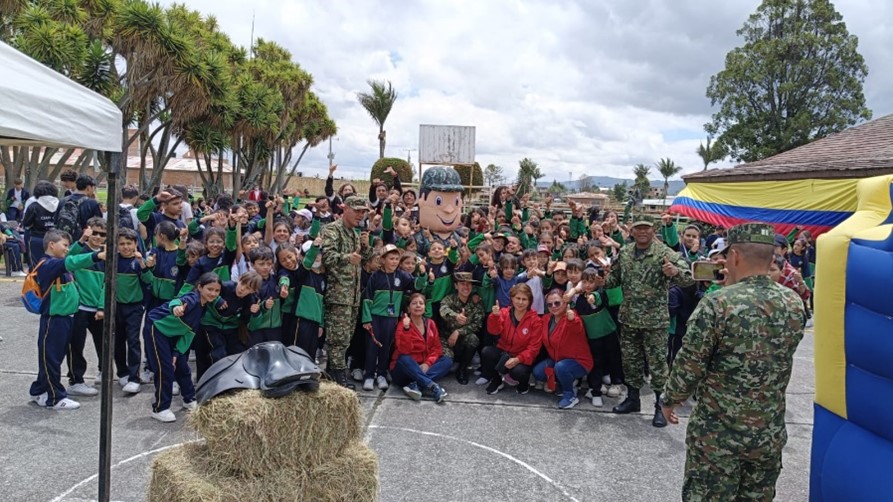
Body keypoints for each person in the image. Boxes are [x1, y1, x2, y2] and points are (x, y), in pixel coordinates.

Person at [662, 223, 806, 501]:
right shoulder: (793, 302)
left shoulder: (718, 304)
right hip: (767, 433)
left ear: (735, 256)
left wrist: (669, 400)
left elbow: (690, 364)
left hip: (718, 435)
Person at [604, 215, 694, 428]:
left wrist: (675, 272)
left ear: (653, 230)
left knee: (657, 366)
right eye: (638, 228)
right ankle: (633, 399)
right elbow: (613, 280)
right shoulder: (625, 253)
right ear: (632, 231)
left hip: (655, 322)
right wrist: (601, 279)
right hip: (629, 319)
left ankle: (660, 406)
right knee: (631, 362)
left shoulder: (664, 253)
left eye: (646, 228)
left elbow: (689, 278)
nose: (642, 232)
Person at [29, 230, 106, 410]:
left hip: (64, 318)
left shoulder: (55, 263)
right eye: (64, 245)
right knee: (51, 359)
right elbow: (72, 260)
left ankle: (38, 390)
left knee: (54, 357)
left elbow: (70, 257)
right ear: (51, 245)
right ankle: (55, 398)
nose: (67, 249)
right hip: (54, 319)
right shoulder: (48, 265)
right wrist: (96, 255)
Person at [143, 272, 222, 422]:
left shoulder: (205, 307)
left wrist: (177, 352)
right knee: (164, 369)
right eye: (209, 289)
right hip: (157, 327)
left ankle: (189, 399)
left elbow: (189, 333)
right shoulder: (192, 299)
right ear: (199, 287)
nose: (213, 293)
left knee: (182, 367)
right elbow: (177, 302)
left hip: (174, 334)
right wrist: (176, 309)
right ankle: (160, 408)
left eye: (216, 291)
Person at [321, 195, 372, 388]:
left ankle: (331, 374)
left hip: (352, 296)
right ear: (345, 209)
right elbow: (328, 257)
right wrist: (347, 257)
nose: (360, 215)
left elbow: (363, 260)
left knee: (345, 339)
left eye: (363, 212)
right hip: (338, 294)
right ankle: (339, 380)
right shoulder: (333, 229)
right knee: (338, 340)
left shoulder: (354, 233)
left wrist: (365, 247)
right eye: (357, 210)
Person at [533, 289, 592, 409]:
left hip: (579, 362)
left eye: (557, 303)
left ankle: (570, 395)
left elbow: (577, 327)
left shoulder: (571, 316)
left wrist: (572, 320)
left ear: (565, 302)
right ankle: (566, 381)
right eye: (550, 304)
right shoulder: (546, 319)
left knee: (561, 367)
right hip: (556, 359)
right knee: (538, 372)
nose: (553, 306)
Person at [482, 283, 543, 395]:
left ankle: (524, 385)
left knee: (518, 372)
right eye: (517, 298)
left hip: (522, 356)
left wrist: (518, 359)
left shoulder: (535, 320)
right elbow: (494, 331)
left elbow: (534, 348)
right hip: (504, 351)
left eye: (524, 299)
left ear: (529, 301)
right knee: (487, 352)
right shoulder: (505, 313)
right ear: (512, 298)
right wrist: (494, 317)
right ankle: (496, 381)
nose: (520, 302)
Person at [391, 293, 450, 403]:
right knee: (403, 358)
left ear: (425, 307)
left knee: (447, 361)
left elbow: (437, 348)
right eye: (414, 303)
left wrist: (427, 363)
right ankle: (433, 387)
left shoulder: (431, 323)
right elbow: (404, 350)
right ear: (408, 308)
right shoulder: (402, 324)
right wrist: (407, 329)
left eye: (421, 303)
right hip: (405, 371)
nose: (418, 306)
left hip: (423, 366)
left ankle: (416, 385)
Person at [439, 271, 485, 384]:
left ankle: (462, 370)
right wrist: (456, 316)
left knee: (473, 339)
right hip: (447, 340)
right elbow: (443, 310)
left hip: (462, 340)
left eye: (469, 284)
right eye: (462, 283)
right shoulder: (449, 299)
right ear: (456, 285)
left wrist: (458, 332)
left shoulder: (476, 302)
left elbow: (477, 324)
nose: (466, 287)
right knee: (447, 364)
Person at [22, 180, 60, 268]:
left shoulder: (34, 206)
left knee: (36, 265)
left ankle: (36, 281)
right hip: (55, 238)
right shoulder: (59, 204)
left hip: (37, 237)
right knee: (54, 264)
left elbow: (26, 223)